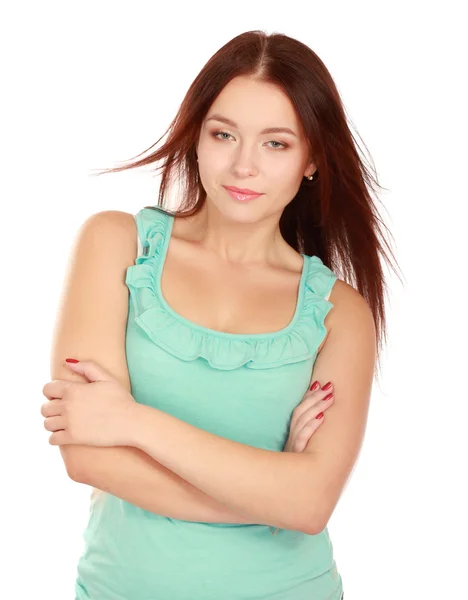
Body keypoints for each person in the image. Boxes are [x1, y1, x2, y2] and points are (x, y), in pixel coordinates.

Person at [41, 29, 399, 600]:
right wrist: (269, 494)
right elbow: (86, 456)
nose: (243, 166)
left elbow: (310, 505)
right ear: (197, 138)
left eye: (276, 144)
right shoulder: (115, 244)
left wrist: (133, 421)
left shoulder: (340, 315)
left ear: (311, 159)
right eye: (223, 134)